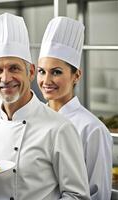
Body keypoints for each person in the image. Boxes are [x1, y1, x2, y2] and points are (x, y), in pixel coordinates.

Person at [0, 13, 90, 200]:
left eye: (14, 68)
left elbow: (77, 196)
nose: (5, 78)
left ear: (31, 72)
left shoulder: (59, 128)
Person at [36, 16, 112, 200]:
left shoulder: (92, 129)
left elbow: (98, 194)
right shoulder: (33, 119)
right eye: (42, 71)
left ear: (76, 75)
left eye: (56, 72)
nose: (46, 81)